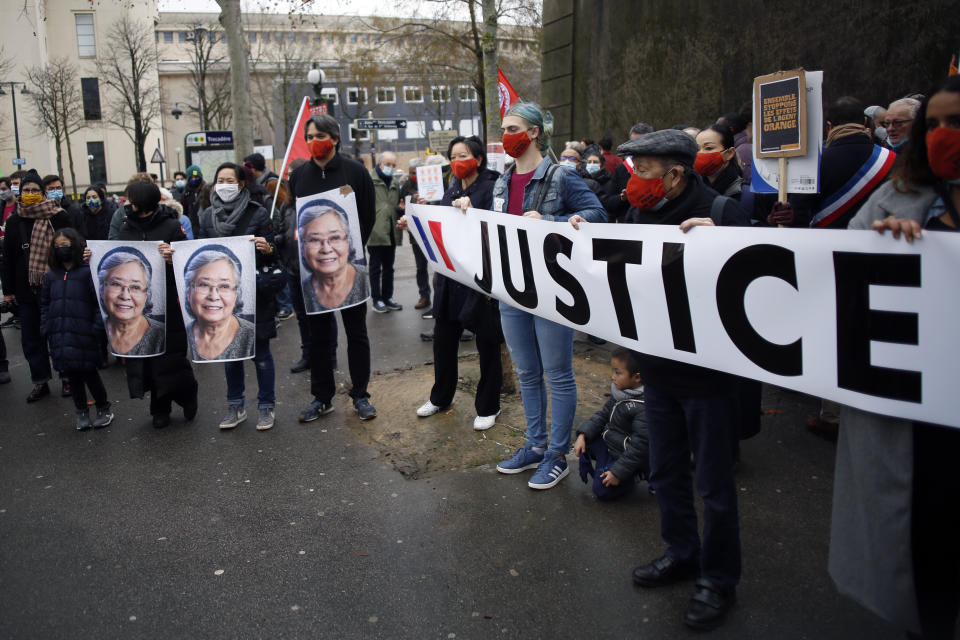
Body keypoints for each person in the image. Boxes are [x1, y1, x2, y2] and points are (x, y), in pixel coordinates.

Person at [829, 76, 960, 640]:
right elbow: (843, 271)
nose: (942, 136)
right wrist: (885, 246)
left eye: (955, 124)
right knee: (924, 535)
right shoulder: (897, 195)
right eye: (933, 125)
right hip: (917, 412)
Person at [616, 129, 749, 631]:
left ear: (675, 172)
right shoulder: (636, 212)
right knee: (666, 471)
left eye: (643, 169)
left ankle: (718, 579)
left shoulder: (721, 209)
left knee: (713, 483)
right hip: (658, 368)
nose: (635, 180)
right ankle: (681, 553)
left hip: (708, 377)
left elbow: (754, 278)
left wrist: (721, 241)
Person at [491, 102, 607, 489]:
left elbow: (598, 214)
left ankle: (558, 455)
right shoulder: (503, 181)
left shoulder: (561, 176)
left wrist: (554, 221)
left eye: (513, 128)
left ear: (535, 132)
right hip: (513, 290)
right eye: (504, 129)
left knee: (557, 373)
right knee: (527, 373)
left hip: (554, 289)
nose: (507, 135)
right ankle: (535, 445)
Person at [401, 136, 504, 430]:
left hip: (480, 280)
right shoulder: (452, 187)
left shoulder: (492, 186)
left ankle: (488, 406)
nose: (458, 161)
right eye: (454, 156)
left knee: (487, 343)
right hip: (449, 280)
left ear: (479, 159)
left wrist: (473, 210)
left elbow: (497, 224)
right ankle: (441, 397)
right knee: (444, 342)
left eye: (464, 155)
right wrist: (417, 222)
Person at [288, 113, 377, 422]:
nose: (314, 143)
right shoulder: (299, 176)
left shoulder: (355, 171)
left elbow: (366, 214)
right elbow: (296, 221)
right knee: (320, 337)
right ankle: (321, 397)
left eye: (319, 137)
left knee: (357, 334)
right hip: (314, 274)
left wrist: (349, 254)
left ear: (335, 139)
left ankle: (361, 394)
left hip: (350, 269)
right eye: (309, 137)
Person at [194, 161, 278, 431]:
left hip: (254, 294)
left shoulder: (258, 212)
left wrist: (266, 248)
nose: (225, 185)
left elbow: (274, 249)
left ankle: (266, 407)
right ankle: (235, 405)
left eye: (231, 180)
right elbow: (199, 253)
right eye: (221, 179)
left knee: (261, 355)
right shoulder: (207, 216)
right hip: (222, 298)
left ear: (242, 184)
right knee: (230, 353)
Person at [108, 180, 198, 429]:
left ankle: (188, 393)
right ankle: (160, 407)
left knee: (170, 358)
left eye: (131, 200)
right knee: (147, 359)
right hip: (139, 305)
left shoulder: (171, 226)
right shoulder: (126, 228)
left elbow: (186, 262)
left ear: (141, 203)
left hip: (168, 302)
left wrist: (172, 256)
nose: (127, 204)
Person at [1, 169, 71, 402]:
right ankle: (40, 381)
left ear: (43, 193)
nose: (30, 194)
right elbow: (9, 258)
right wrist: (9, 290)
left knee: (59, 336)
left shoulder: (58, 216)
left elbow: (71, 249)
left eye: (35, 191)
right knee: (31, 339)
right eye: (26, 190)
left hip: (56, 287)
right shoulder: (14, 221)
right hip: (26, 291)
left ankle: (66, 378)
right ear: (20, 193)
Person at [40, 228, 113, 430]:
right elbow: (45, 304)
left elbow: (99, 303)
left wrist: (96, 329)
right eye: (57, 247)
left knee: (90, 374)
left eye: (65, 245)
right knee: (72, 377)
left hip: (85, 333)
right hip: (60, 335)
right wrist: (46, 327)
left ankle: (103, 408)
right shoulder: (51, 276)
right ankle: (81, 411)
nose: (61, 250)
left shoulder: (87, 272)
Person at [573, 347, 649, 500]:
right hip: (611, 444)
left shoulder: (644, 407)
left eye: (618, 372)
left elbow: (640, 447)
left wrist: (618, 472)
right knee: (584, 445)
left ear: (637, 377)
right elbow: (602, 415)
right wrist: (583, 435)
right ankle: (606, 468)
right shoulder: (621, 391)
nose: (612, 377)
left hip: (626, 455)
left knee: (601, 491)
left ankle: (636, 475)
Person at [269, 178, 313, 373]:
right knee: (302, 316)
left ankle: (330, 355)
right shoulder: (285, 207)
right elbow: (280, 231)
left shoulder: (315, 202)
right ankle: (307, 355)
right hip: (293, 268)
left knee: (322, 315)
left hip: (314, 270)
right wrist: (276, 240)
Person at [298, 199, 368, 311]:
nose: (326, 249)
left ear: (348, 242)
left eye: (335, 237)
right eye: (314, 239)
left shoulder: (362, 281)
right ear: (302, 247)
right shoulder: (303, 291)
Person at [96, 247, 165, 356]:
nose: (125, 296)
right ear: (101, 290)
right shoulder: (96, 329)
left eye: (135, 287)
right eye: (116, 284)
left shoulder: (161, 336)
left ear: (146, 294)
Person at [366, 151, 403, 313]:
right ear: (380, 164)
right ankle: (377, 299)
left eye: (393, 165)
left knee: (389, 267)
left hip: (391, 232)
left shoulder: (395, 182)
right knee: (375, 268)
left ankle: (388, 297)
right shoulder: (369, 181)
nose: (391, 168)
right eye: (388, 164)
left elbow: (396, 206)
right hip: (375, 232)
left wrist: (401, 209)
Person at [601, 122, 653, 220]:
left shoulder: (662, 166)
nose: (638, 147)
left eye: (643, 143)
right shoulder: (622, 168)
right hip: (627, 224)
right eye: (634, 143)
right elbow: (609, 203)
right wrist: (622, 198)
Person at [399, 157, 431, 310]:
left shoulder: (431, 182)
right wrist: (412, 198)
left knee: (440, 269)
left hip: (432, 231)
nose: (415, 175)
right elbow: (401, 205)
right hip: (415, 233)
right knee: (421, 267)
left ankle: (440, 299)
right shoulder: (406, 185)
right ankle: (424, 296)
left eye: (418, 172)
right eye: (412, 172)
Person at [694, 124, 743, 197]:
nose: (700, 153)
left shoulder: (743, 193)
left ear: (729, 153)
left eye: (709, 148)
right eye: (697, 149)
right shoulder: (692, 191)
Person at [181, 165, 207, 231]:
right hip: (192, 226)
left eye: (196, 177)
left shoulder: (206, 190)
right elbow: (184, 211)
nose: (194, 179)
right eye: (191, 178)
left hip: (205, 224)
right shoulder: (186, 193)